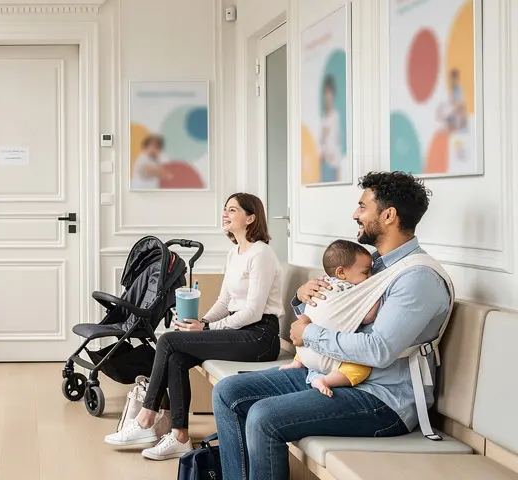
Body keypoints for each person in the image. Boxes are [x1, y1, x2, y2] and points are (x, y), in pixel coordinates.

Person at [212, 171, 451, 480]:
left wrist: (308, 332)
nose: (355, 214)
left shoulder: (416, 278)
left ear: (389, 215)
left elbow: (378, 350)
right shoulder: (371, 265)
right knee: (228, 391)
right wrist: (302, 300)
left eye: (363, 206)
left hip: (382, 399)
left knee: (263, 416)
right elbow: (340, 311)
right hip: (329, 374)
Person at [104, 193, 284, 461]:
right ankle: (179, 437)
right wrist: (202, 322)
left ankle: (146, 417)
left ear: (251, 218)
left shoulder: (261, 254)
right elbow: (224, 301)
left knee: (167, 340)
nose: (225, 213)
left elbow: (252, 311)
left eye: (232, 210)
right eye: (225, 209)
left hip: (261, 336)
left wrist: (208, 330)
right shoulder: (234, 252)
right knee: (175, 356)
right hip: (239, 331)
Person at [279, 240, 377, 397]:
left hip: (304, 352)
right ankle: (326, 381)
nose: (370, 277)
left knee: (311, 323)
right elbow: (367, 318)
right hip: (326, 358)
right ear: (341, 273)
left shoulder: (322, 283)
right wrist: (375, 296)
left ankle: (296, 362)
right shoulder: (351, 291)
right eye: (366, 273)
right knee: (362, 367)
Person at [319, 75, 342, 182]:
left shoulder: (335, 116)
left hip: (333, 164)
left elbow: (337, 142)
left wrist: (337, 169)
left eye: (330, 93)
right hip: (323, 164)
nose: (328, 96)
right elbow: (321, 142)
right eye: (326, 93)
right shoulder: (323, 118)